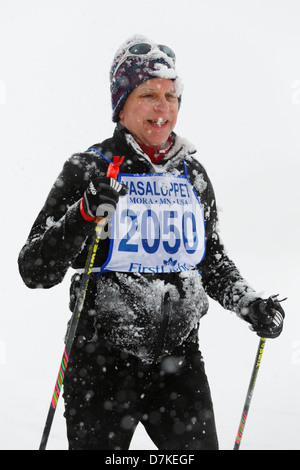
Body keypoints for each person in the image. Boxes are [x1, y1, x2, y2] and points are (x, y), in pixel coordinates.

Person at [18, 34, 285, 451]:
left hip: (178, 365)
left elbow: (208, 257)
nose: (163, 108)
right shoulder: (88, 168)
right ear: (120, 104)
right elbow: (34, 269)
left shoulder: (191, 175)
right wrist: (83, 215)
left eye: (171, 95)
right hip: (101, 364)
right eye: (148, 94)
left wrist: (249, 303)